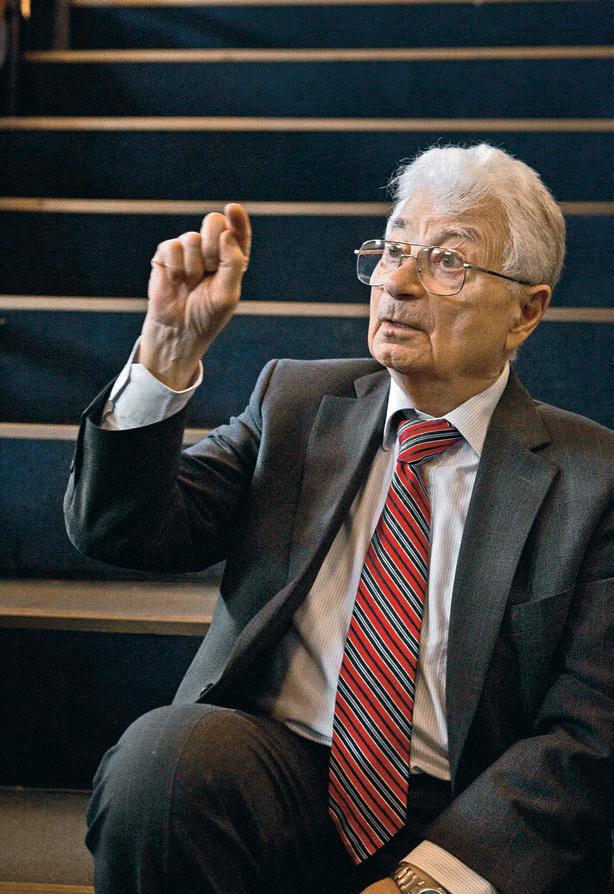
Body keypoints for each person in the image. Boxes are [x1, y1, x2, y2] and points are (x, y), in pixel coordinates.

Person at [64, 144, 613, 894]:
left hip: (470, 815)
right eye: (393, 249)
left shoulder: (591, 479)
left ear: (526, 311)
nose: (398, 283)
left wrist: (431, 880)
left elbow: (589, 732)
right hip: (279, 780)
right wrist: (166, 350)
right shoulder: (296, 405)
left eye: (448, 262)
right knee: (162, 760)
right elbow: (120, 529)